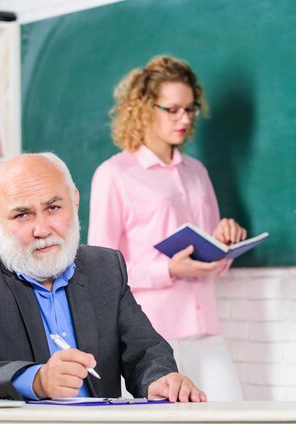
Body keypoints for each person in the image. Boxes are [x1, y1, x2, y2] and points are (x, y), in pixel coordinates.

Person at [0, 152, 206, 402]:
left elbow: (146, 349)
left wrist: (161, 380)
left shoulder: (106, 266)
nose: (42, 229)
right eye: (22, 215)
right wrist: (36, 381)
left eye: (53, 208)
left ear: (74, 200)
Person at [88, 56, 246, 401]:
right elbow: (99, 272)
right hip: (151, 339)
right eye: (172, 109)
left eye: (189, 109)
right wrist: (167, 269)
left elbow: (210, 264)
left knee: (234, 414)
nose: (185, 119)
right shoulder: (115, 174)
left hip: (205, 330)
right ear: (144, 108)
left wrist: (223, 245)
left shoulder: (197, 172)